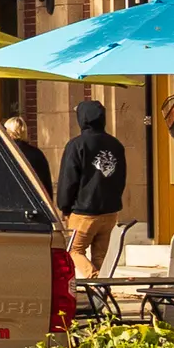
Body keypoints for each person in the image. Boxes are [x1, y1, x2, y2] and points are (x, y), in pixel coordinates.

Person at [56, 98, 130, 270]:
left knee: (74, 251)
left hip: (84, 212)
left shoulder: (77, 145)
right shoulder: (116, 145)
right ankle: (100, 291)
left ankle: (96, 282)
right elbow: (121, 177)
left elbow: (68, 179)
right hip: (110, 211)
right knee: (100, 256)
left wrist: (64, 206)